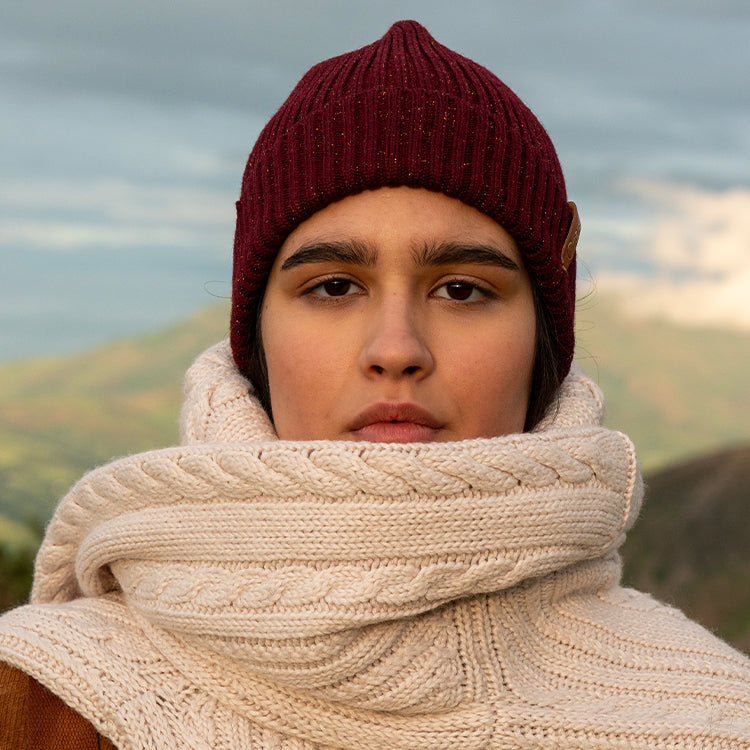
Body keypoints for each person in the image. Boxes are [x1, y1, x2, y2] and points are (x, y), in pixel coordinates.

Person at [1, 19, 749, 749]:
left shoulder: (715, 717)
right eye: (332, 286)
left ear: (544, 339)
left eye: (462, 289)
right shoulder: (33, 699)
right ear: (255, 331)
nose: (397, 349)